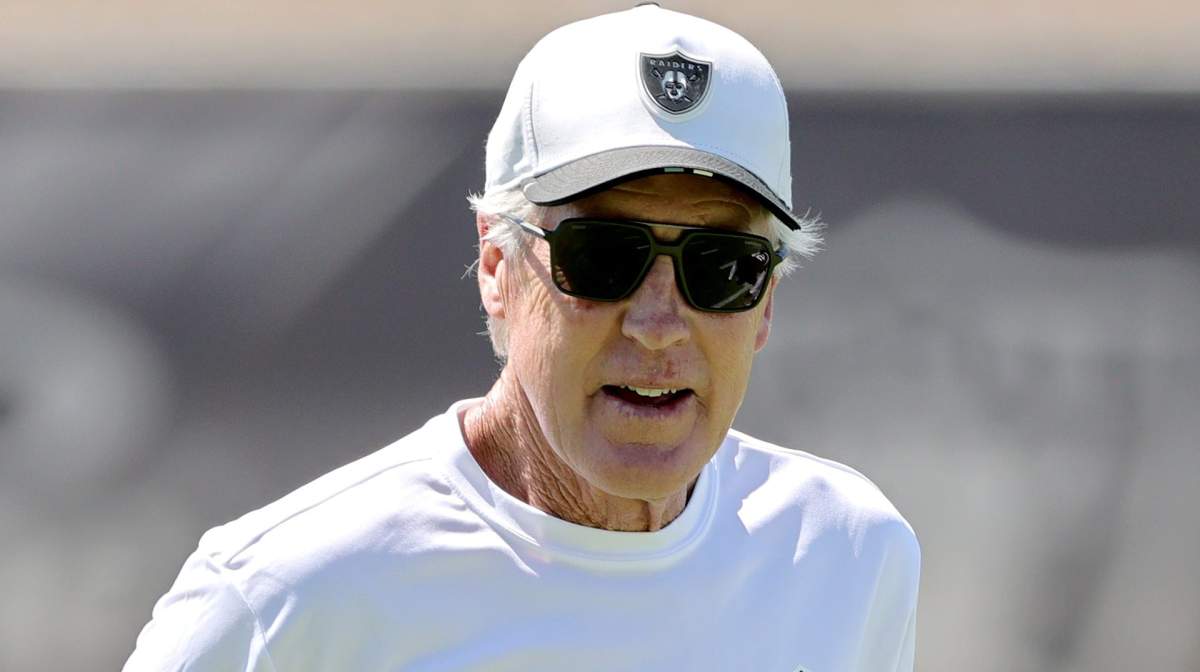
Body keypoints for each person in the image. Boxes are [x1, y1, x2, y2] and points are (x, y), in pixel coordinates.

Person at [125, 4, 920, 671]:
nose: (656, 325)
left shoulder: (849, 556)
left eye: (721, 268)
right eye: (602, 257)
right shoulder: (279, 596)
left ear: (766, 302)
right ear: (496, 267)